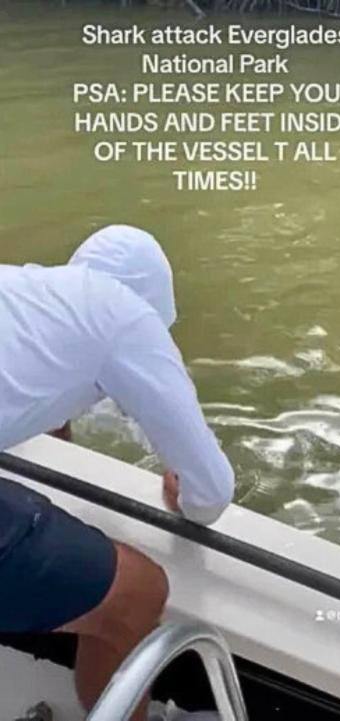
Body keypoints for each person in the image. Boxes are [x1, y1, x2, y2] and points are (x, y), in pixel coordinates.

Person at [0, 225, 234, 721]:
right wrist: (184, 492)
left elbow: (39, 401)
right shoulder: (127, 316)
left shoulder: (29, 295)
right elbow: (212, 492)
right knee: (139, 591)